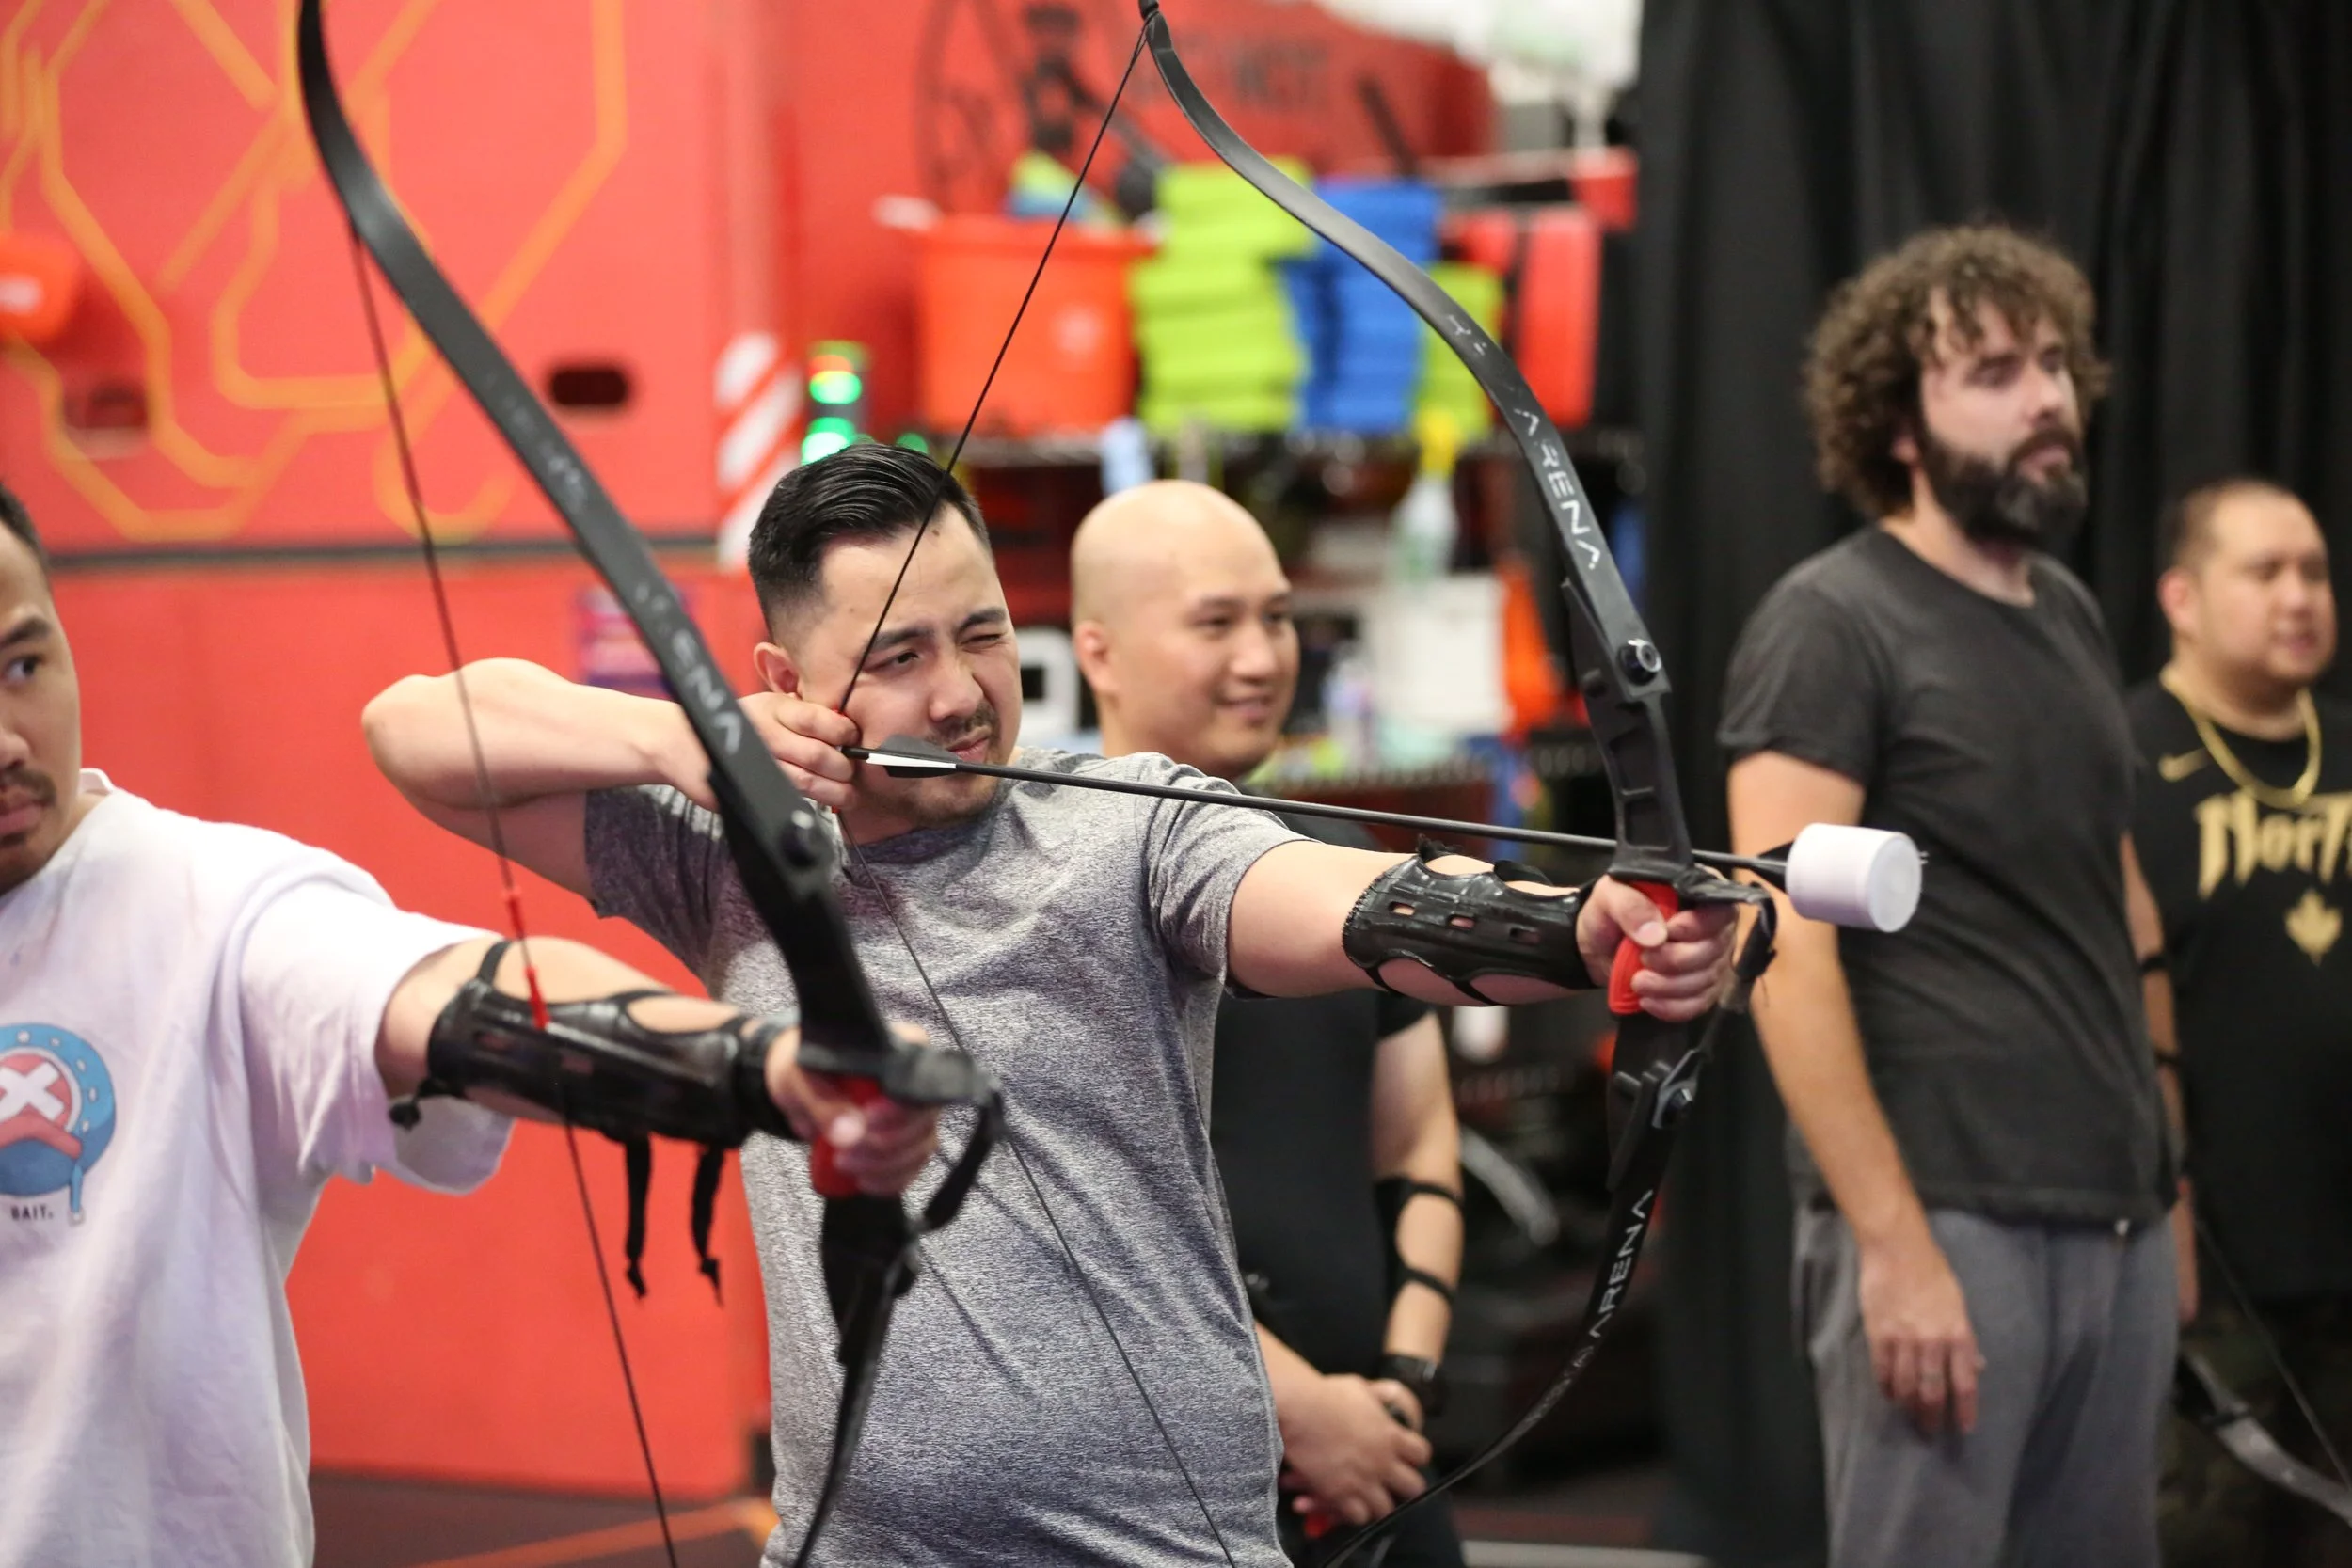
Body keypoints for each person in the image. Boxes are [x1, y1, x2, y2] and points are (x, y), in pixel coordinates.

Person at [363, 442, 1740, 1567]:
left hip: (1162, 1545)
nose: (961, 694)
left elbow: (1347, 907)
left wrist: (1572, 925)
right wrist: (685, 739)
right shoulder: (724, 862)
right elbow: (416, 730)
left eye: (980, 633)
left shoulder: (1132, 828)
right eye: (897, 654)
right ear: (787, 687)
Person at [0, 482, 935, 1568]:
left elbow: (457, 994)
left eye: (24, 664)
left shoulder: (209, 905)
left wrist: (764, 1064)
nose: (9, 737)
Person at [1717, 225, 2177, 1568]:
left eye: (2051, 363)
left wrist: (2173, 1183)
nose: (2044, 396)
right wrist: (1895, 1241)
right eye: (1991, 370)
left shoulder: (2070, 614)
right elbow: (1780, 948)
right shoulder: (1833, 620)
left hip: (2117, 1210)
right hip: (1948, 1213)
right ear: (1900, 423)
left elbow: (2118, 904)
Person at [1070, 480, 1465, 1566]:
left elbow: (1417, 1143)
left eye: (1278, 616)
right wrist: (1294, 1406)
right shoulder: (1051, 889)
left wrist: (1397, 1386)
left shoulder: (1340, 862)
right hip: (1166, 1473)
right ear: (1098, 653)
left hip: (1376, 1451)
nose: (1260, 656)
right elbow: (1071, 1222)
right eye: (1215, 622)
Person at [2127, 478, 2352, 1567]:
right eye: (2264, 571)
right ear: (2181, 594)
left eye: (2312, 570)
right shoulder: (2117, 759)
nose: (2300, 595)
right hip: (2204, 1269)